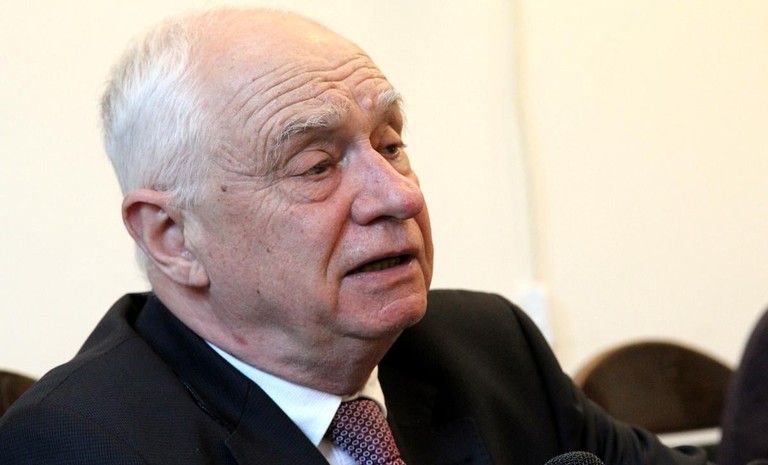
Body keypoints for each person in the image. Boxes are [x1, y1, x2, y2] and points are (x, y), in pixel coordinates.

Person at [0, 7, 709, 465]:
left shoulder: (491, 348)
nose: (399, 195)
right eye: (316, 165)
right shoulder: (78, 444)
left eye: (391, 145)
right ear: (173, 237)